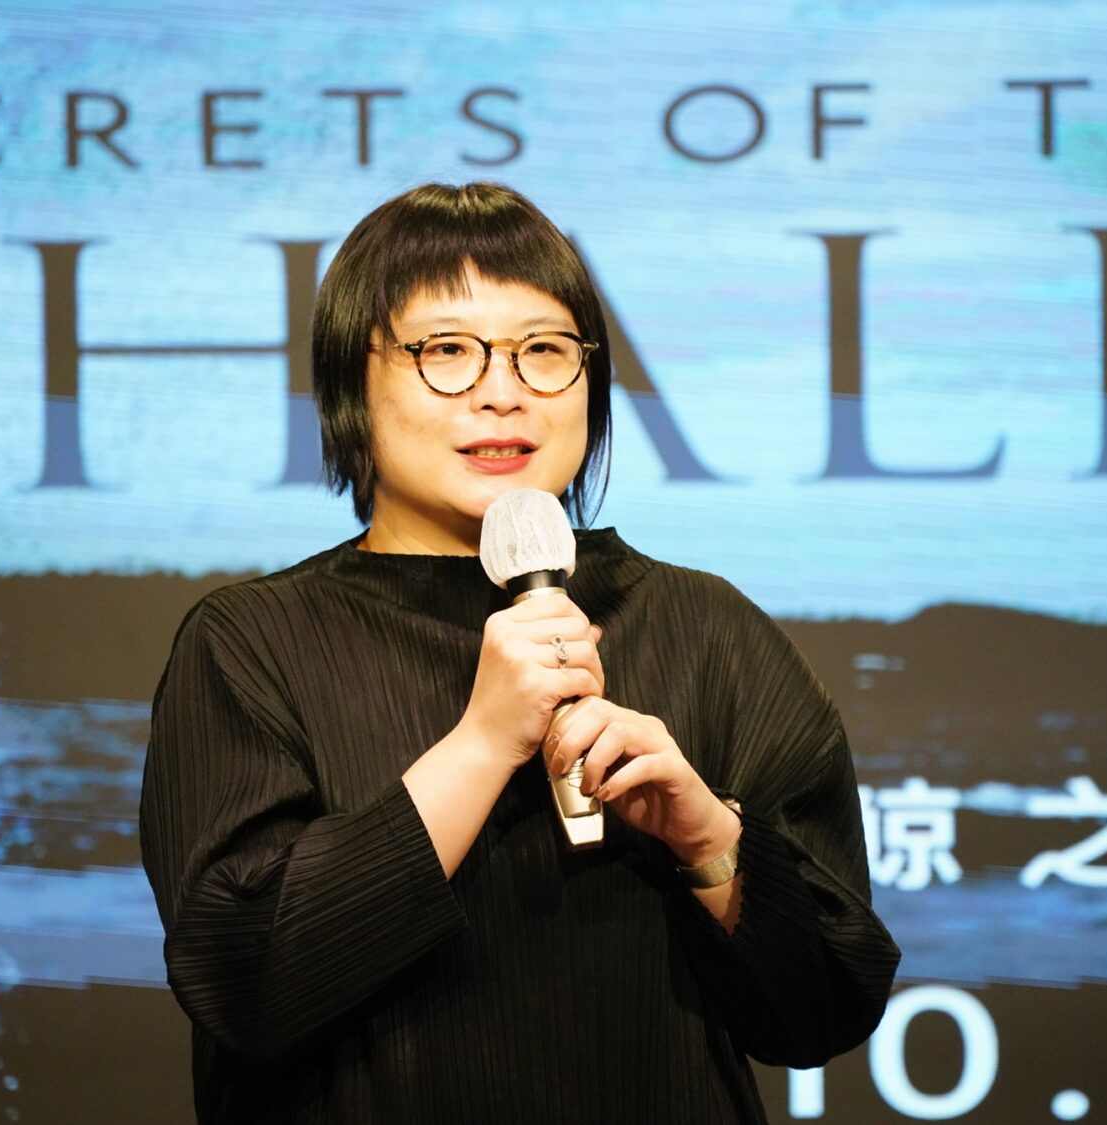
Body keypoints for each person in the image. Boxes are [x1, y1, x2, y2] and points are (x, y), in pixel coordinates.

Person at [139, 182, 899, 1124]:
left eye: (543, 350)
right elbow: (242, 981)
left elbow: (827, 1004)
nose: (502, 391)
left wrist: (709, 840)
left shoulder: (706, 626)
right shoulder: (251, 642)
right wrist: (482, 742)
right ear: (349, 386)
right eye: (446, 351)